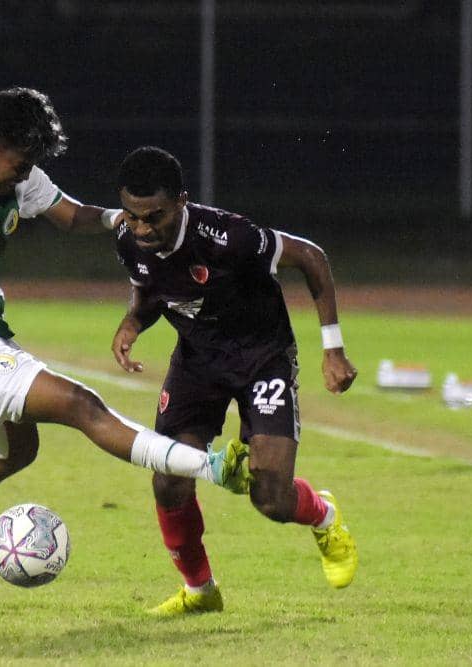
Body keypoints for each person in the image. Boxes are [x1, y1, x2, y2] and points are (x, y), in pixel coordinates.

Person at [0, 76, 250, 610]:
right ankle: (211, 466)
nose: (25, 175)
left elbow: (71, 216)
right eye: (20, 164)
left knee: (17, 450)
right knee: (78, 404)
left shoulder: (20, 177)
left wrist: (119, 219)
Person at [109, 146, 359, 615]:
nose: (141, 228)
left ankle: (323, 515)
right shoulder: (127, 238)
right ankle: (200, 591)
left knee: (270, 498)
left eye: (154, 217)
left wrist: (333, 349)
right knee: (168, 480)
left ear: (181, 201)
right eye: (132, 216)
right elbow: (150, 288)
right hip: (197, 362)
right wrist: (133, 323)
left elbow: (311, 257)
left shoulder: (230, 237)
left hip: (262, 358)